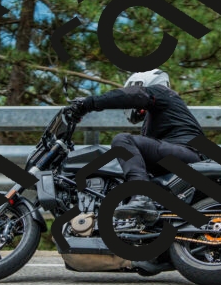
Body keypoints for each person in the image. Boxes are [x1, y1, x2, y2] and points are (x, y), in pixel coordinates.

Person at [64, 69, 206, 223]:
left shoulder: (161, 92)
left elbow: (135, 95)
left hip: (188, 153)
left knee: (123, 140)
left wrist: (89, 103)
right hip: (179, 157)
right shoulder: (155, 117)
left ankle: (141, 196)